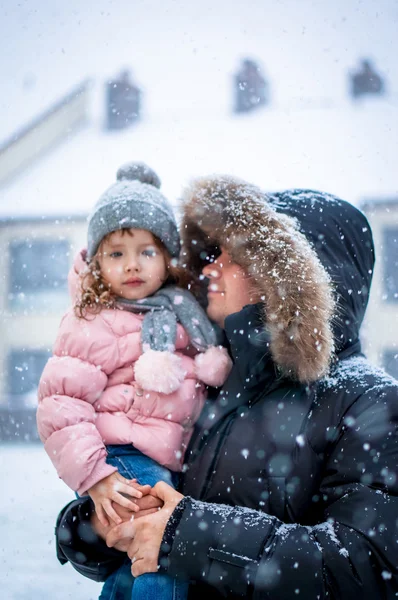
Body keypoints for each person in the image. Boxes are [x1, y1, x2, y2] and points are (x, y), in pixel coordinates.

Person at [55, 178, 398, 598]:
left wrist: (188, 534)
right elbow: (142, 500)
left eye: (231, 256)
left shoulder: (371, 403)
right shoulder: (213, 380)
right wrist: (94, 525)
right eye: (213, 252)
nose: (208, 267)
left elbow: (365, 569)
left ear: (283, 276)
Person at [36, 163, 232, 600]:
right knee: (165, 549)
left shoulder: (183, 315)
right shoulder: (94, 321)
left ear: (167, 259)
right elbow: (60, 405)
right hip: (120, 457)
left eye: (147, 251)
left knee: (135, 561)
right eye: (117, 253)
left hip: (163, 459)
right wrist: (96, 475)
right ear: (97, 261)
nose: (132, 265)